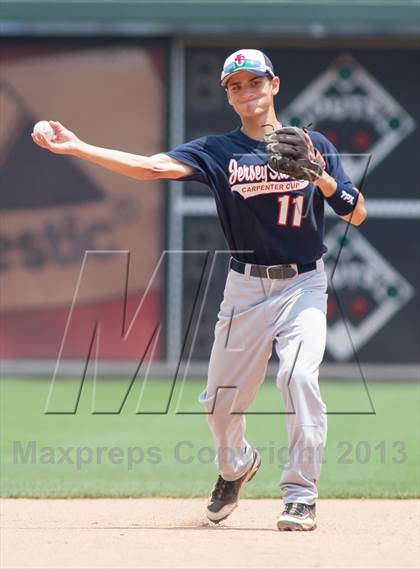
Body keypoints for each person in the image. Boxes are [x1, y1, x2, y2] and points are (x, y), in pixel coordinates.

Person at [32, 48, 367, 531]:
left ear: (274, 85)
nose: (247, 92)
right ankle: (235, 467)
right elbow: (150, 168)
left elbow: (356, 214)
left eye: (255, 82)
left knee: (297, 379)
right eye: (236, 86)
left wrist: (322, 176)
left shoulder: (312, 144)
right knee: (218, 401)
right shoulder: (218, 150)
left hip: (303, 284)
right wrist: (79, 147)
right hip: (245, 288)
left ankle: (300, 493)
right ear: (229, 97)